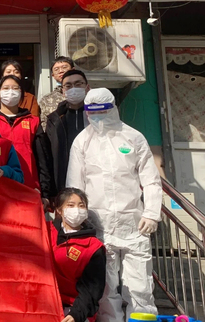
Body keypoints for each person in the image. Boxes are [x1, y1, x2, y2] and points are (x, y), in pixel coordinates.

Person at [66, 88, 162, 322]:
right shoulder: (83, 141)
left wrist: (152, 213)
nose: (97, 117)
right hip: (99, 224)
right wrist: (75, 217)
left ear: (113, 109)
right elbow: (75, 184)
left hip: (134, 224)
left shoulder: (133, 137)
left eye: (102, 112)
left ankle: (141, 319)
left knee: (140, 285)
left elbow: (151, 179)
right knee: (105, 286)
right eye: (92, 113)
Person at [48, 188, 106, 322]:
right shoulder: (45, 230)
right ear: (59, 210)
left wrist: (76, 314)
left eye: (81, 206)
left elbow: (92, 289)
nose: (77, 210)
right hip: (44, 302)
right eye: (70, 205)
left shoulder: (93, 247)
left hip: (74, 309)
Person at [0, 75, 50, 198]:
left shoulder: (33, 121)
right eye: (6, 88)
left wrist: (45, 192)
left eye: (15, 88)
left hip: (28, 186)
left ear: (22, 94)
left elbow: (42, 158)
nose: (10, 92)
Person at [38, 70, 90, 199]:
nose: (73, 88)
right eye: (68, 86)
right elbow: (48, 156)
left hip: (93, 181)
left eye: (78, 84)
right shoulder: (55, 119)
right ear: (63, 91)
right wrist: (49, 192)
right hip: (64, 184)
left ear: (87, 87)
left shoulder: (97, 115)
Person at [39, 57, 75, 129]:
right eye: (56, 69)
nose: (61, 71)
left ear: (73, 70)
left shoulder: (86, 93)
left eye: (64, 67)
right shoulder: (46, 100)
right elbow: (44, 125)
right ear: (53, 75)